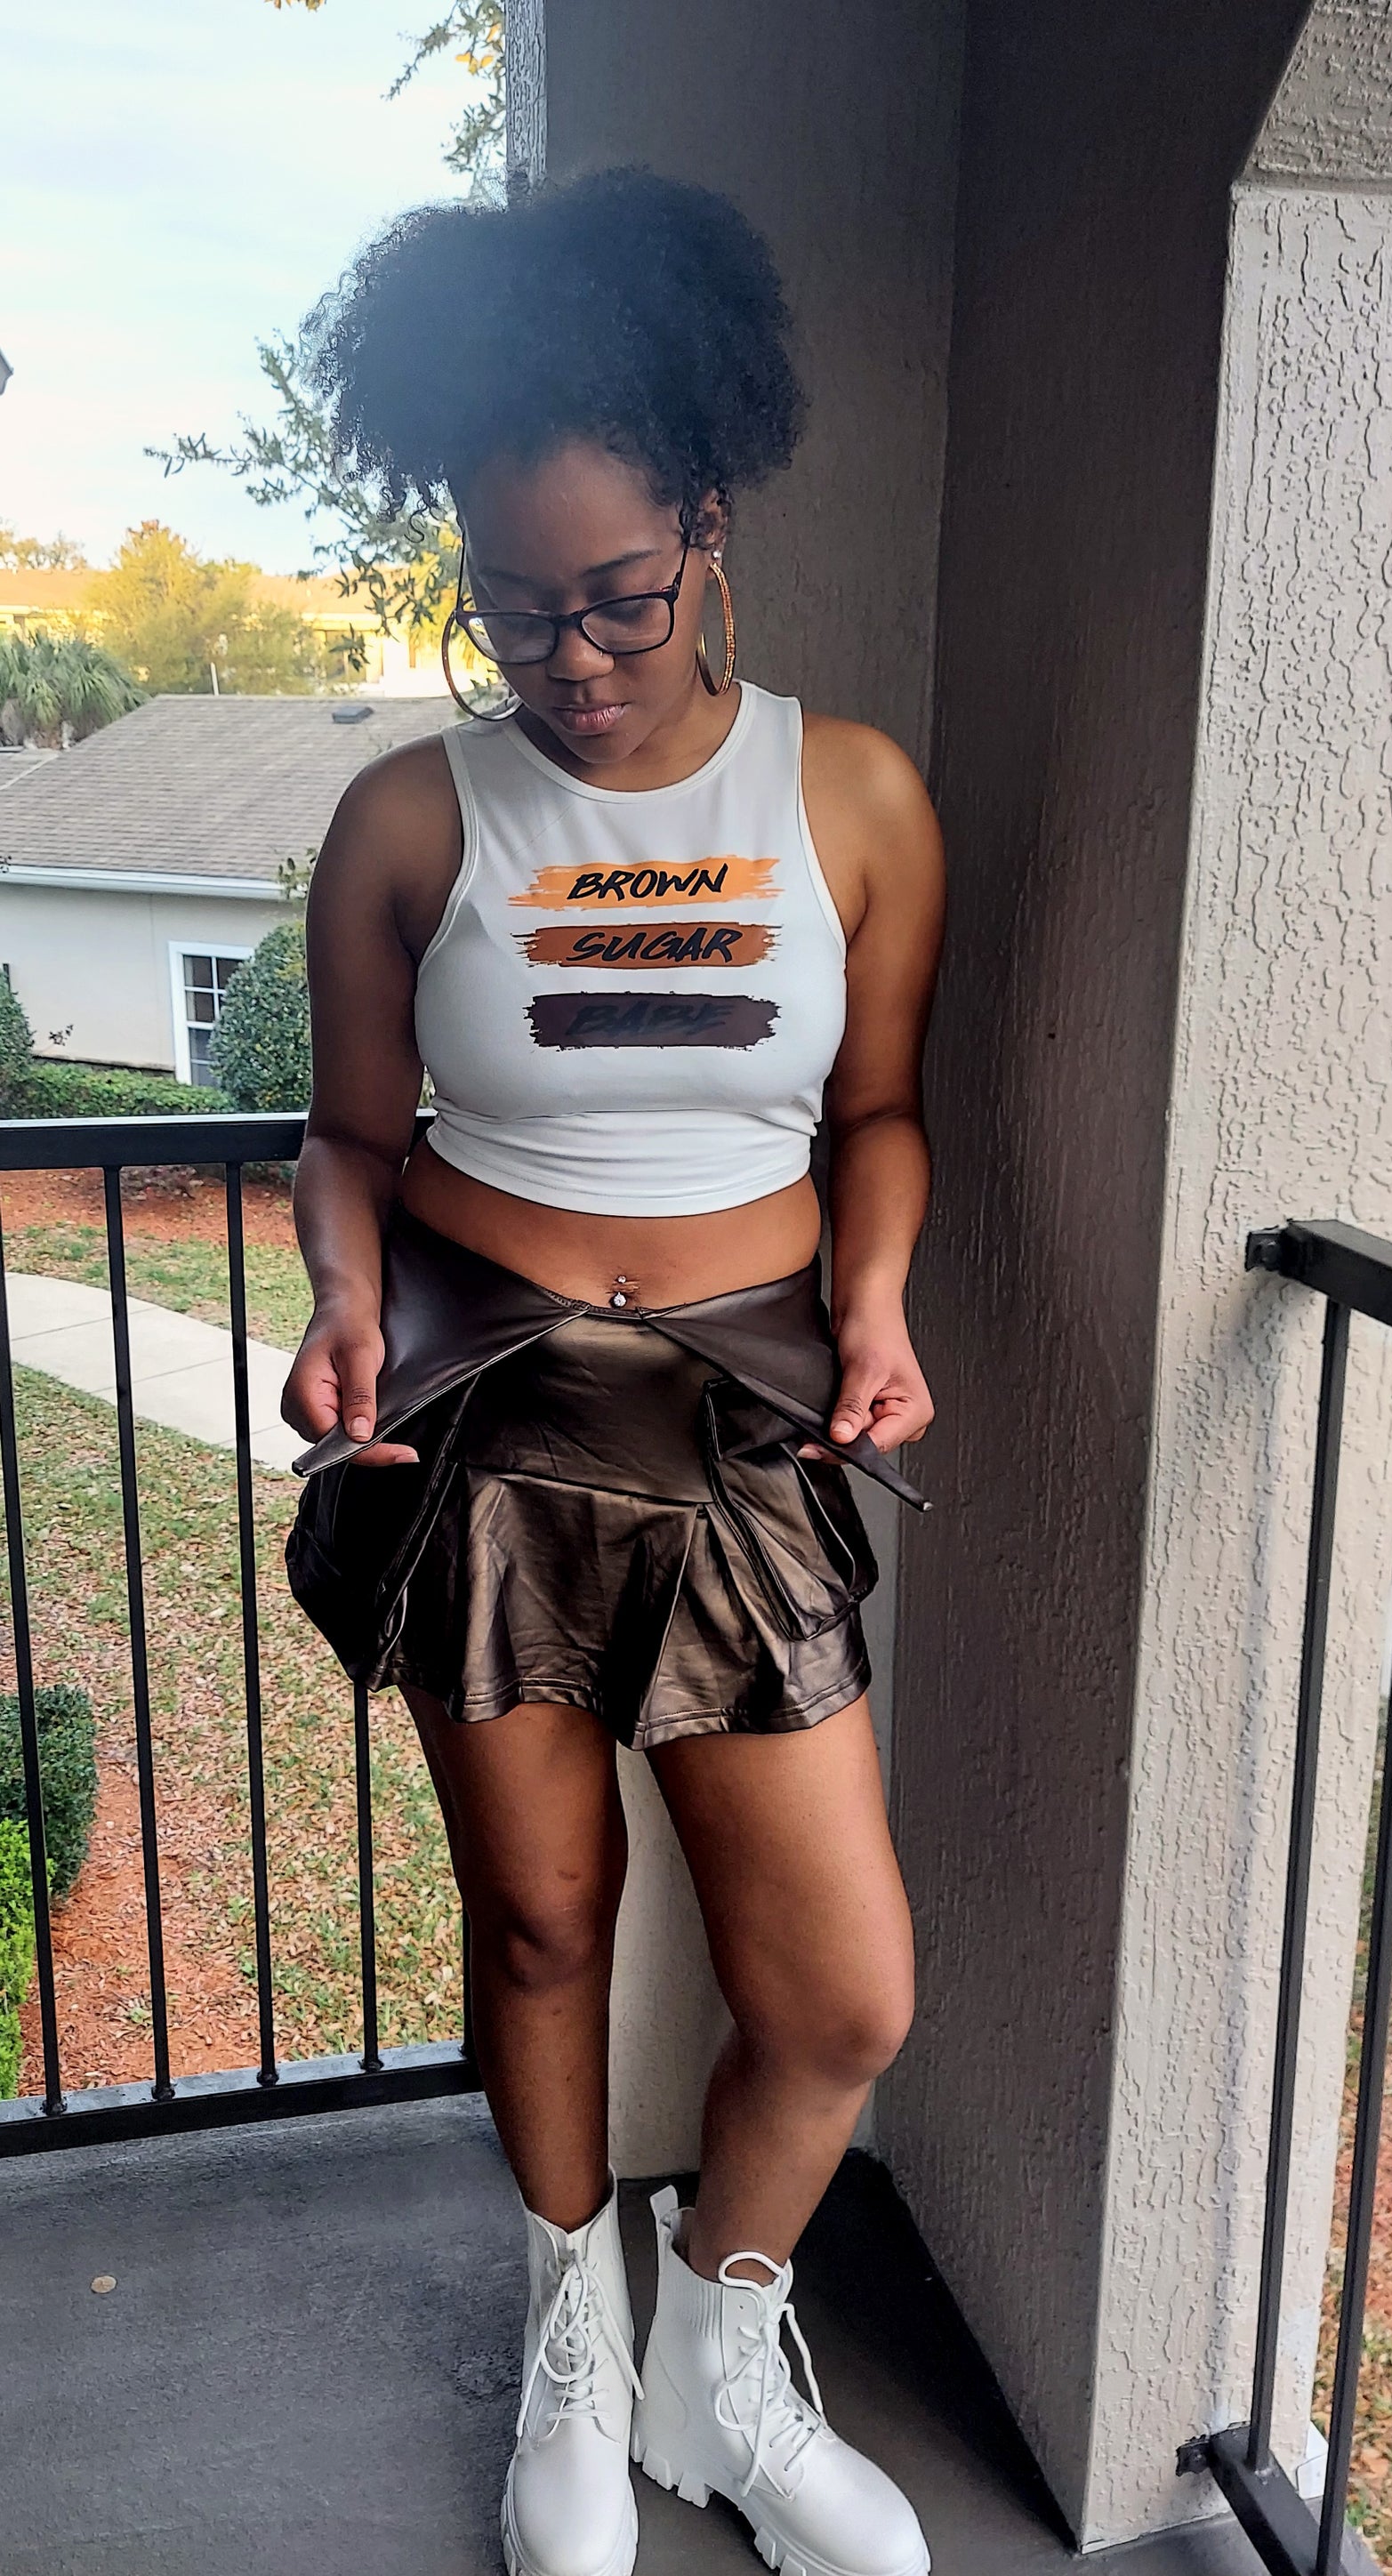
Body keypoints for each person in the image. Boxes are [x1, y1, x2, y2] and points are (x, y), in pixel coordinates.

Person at [279, 170, 944, 2576]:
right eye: (516, 603)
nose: (569, 658)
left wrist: (876, 1302)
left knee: (839, 1995)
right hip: (487, 1420)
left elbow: (877, 1112)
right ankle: (573, 2330)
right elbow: (350, 1141)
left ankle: (716, 2351)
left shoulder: (850, 798)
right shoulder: (407, 817)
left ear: (711, 527)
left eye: (621, 597)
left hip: (741, 1420)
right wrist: (338, 1295)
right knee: (546, 1926)